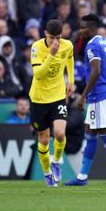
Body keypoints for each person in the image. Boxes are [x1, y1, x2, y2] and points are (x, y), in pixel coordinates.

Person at [64, 14, 106, 186]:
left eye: (83, 28)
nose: (80, 31)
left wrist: (82, 97)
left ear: (92, 28)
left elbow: (96, 71)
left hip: (98, 93)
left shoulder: (92, 45)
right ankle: (82, 177)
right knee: (90, 132)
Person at [29, 19, 74, 187]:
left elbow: (69, 57)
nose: (56, 42)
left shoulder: (67, 45)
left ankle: (56, 161)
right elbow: (38, 74)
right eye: (52, 38)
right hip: (39, 99)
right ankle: (47, 172)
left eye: (59, 38)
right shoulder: (37, 47)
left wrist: (70, 80)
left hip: (57, 96)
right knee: (44, 140)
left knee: (61, 134)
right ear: (45, 34)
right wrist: (52, 55)